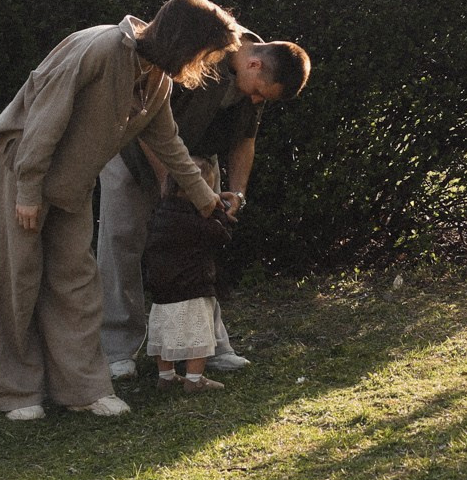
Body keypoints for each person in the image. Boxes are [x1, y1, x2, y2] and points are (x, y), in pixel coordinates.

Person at [0, 0, 234, 421]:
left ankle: (82, 389)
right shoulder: (100, 47)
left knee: (76, 282)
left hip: (70, 181)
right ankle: (10, 391)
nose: (205, 64)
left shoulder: (157, 80)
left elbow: (169, 144)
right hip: (23, 167)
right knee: (17, 279)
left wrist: (206, 201)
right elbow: (43, 119)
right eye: (205, 53)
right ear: (186, 40)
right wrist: (29, 192)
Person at [96, 30, 310, 376]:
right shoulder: (200, 48)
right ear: (254, 63)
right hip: (132, 150)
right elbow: (144, 115)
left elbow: (245, 141)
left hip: (196, 162)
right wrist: (171, 179)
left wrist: (237, 194)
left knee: (199, 248)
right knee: (123, 243)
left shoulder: (256, 75)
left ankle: (207, 346)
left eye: (262, 99)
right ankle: (117, 350)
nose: (256, 101)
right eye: (257, 92)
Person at [141, 193, 235, 390]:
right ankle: (194, 379)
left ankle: (166, 376)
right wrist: (221, 213)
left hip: (162, 292)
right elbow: (221, 236)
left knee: (164, 333)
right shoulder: (198, 220)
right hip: (194, 287)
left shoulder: (159, 215)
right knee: (197, 334)